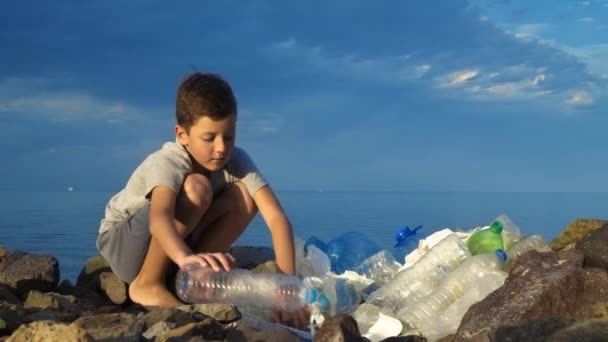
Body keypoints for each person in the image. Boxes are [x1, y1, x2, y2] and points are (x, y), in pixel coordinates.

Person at [96, 72, 307, 328]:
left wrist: (286, 289)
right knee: (197, 187)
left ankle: (192, 279)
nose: (220, 148)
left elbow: (276, 219)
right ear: (182, 134)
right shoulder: (169, 161)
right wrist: (184, 256)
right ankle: (148, 284)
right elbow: (160, 218)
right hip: (124, 245)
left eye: (228, 137)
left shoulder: (236, 159)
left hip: (175, 246)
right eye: (209, 138)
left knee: (245, 197)